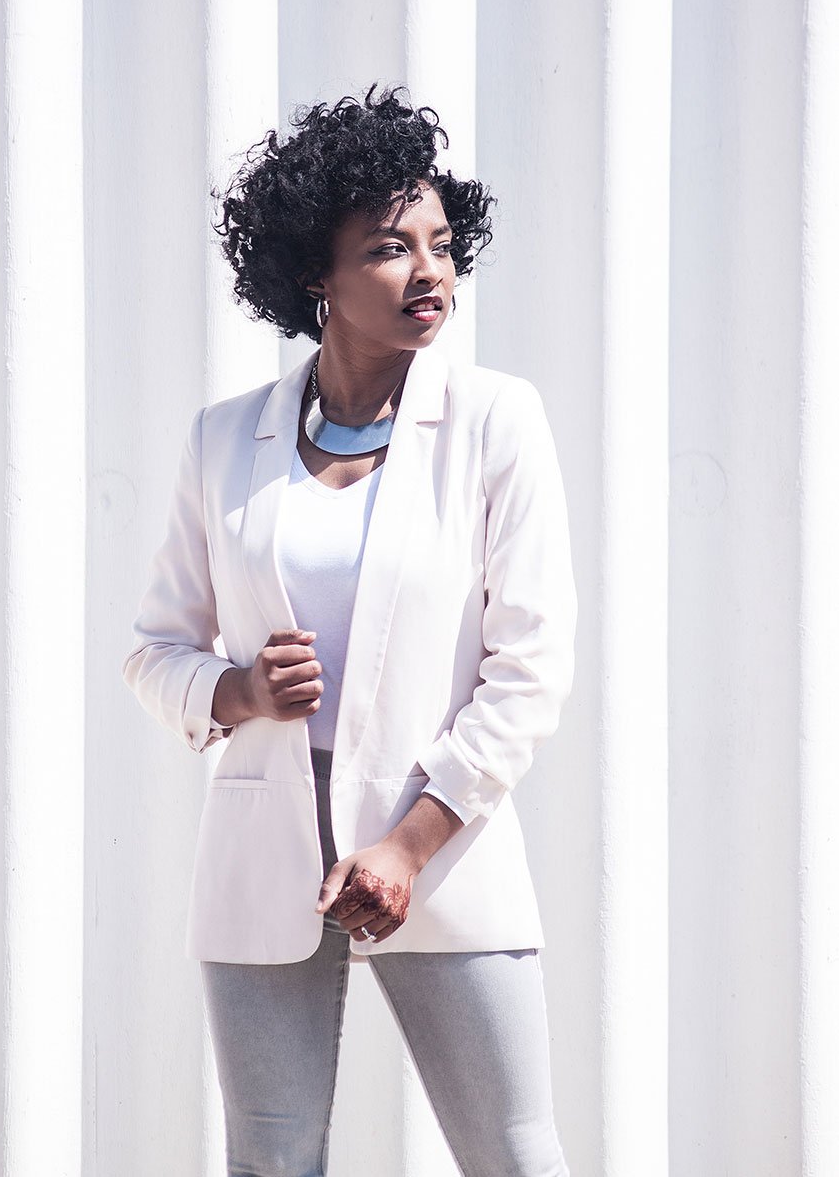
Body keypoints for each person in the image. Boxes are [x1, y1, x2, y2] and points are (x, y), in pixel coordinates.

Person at [122, 82, 577, 1177]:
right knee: (269, 1163)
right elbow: (153, 650)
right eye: (388, 248)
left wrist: (408, 845)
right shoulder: (224, 439)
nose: (430, 272)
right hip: (262, 856)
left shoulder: (495, 422)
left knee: (514, 1156)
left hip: (442, 843)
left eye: (440, 244)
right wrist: (237, 692)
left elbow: (530, 668)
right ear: (313, 277)